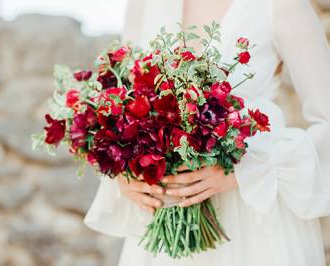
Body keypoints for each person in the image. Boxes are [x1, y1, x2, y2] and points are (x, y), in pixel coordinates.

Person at [84, 0, 330, 265]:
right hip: (165, 219)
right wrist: (126, 172)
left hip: (253, 219)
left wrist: (249, 169)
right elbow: (126, 102)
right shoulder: (144, 4)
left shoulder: (281, 5)